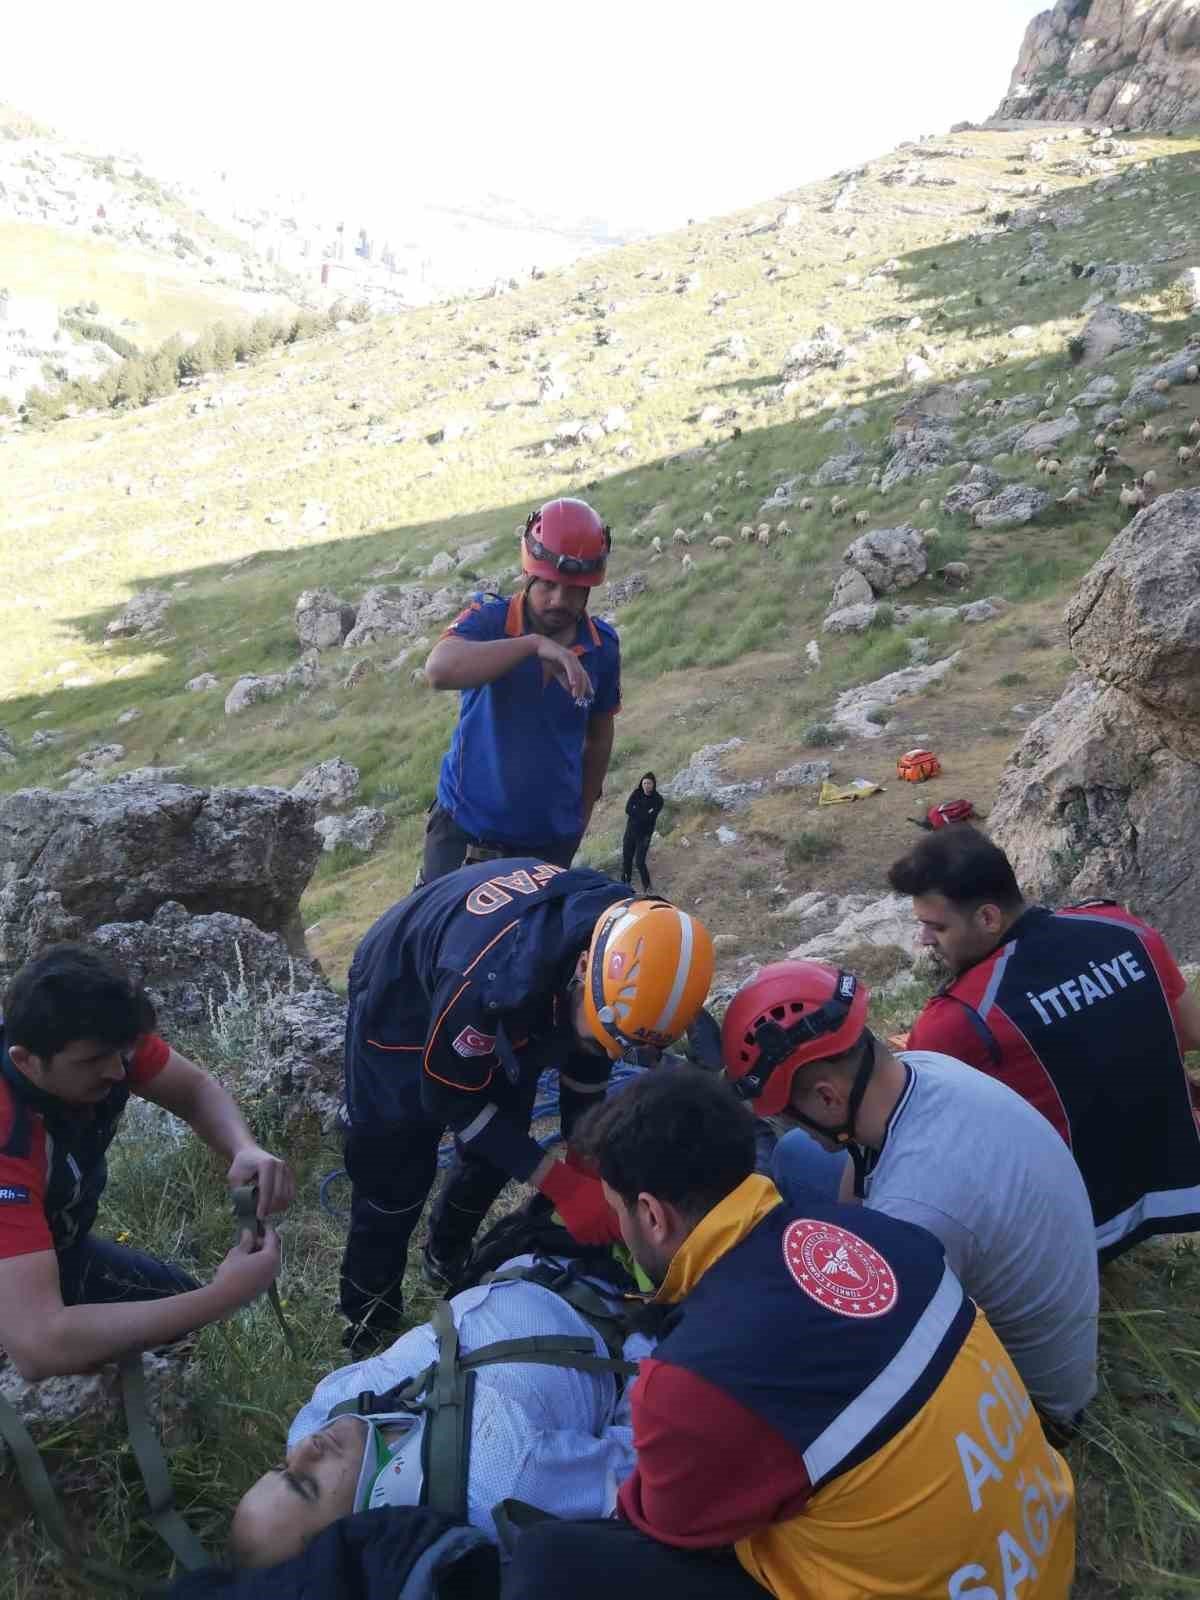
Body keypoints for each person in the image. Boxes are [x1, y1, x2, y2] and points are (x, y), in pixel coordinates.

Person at [502, 1068, 1076, 1600]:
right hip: (1042, 1562)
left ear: (651, 1215)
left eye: (617, 1212)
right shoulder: (882, 1231)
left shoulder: (690, 1382)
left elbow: (666, 1526)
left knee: (548, 1564)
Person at [338, 858, 713, 1351]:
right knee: (395, 1172)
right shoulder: (487, 986)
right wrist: (559, 1184)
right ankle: (370, 1323)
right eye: (598, 1037)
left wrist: (585, 1158)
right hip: (400, 993)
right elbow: (450, 1099)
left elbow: (590, 1059)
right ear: (584, 968)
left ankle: (445, 1255)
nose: (602, 1054)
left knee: (504, 1136)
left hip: (515, 986)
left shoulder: (633, 938)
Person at [724, 958, 1097, 1424]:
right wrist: (854, 1229)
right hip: (1013, 1271)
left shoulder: (915, 1206)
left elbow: (870, 1356)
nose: (785, 1122)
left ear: (827, 1097)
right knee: (799, 1153)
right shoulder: (918, 1069)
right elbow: (864, 1162)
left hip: (1029, 1405)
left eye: (785, 1112)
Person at [231, 1242, 652, 1569]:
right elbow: (646, 1458)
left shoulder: (324, 1413)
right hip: (624, 1297)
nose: (306, 1448)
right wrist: (646, 1331)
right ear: (356, 1537)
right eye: (307, 1484)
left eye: (281, 1466)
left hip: (525, 1254)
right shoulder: (504, 1485)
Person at [887, 826, 1200, 1261]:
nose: (924, 940)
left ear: (988, 918)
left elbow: (915, 1138)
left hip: (1082, 1233)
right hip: (1180, 1186)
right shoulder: (1123, 929)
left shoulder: (959, 1018)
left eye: (936, 926)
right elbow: (1191, 1031)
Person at [0, 946, 291, 1381]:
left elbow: (194, 1091)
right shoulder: (7, 1136)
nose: (118, 1072)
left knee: (177, 1308)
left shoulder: (99, 1042)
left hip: (60, 1249)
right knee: (184, 1312)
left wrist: (244, 1148)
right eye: (93, 1061)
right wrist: (225, 1295)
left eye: (122, 1052)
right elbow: (40, 1346)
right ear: (25, 1060)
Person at [420, 499, 621, 884]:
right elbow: (439, 671)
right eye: (548, 584)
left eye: (574, 590)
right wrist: (532, 646)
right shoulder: (489, 621)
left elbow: (598, 738)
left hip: (548, 846)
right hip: (464, 838)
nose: (559, 600)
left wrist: (578, 823)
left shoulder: (603, 647)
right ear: (528, 572)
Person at [621, 774, 663, 893]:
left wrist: (636, 811)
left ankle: (647, 887)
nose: (646, 786)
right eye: (644, 783)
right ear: (641, 784)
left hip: (644, 836)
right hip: (630, 832)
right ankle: (625, 884)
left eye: (649, 783)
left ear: (653, 784)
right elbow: (628, 809)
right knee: (626, 859)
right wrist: (644, 812)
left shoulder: (658, 799)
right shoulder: (636, 793)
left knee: (639, 862)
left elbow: (650, 817)